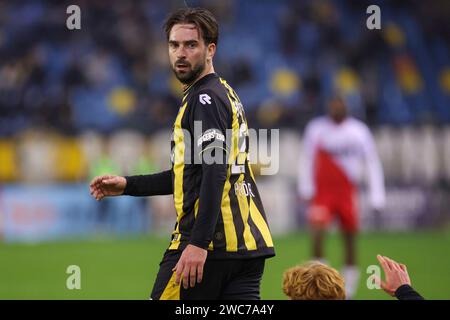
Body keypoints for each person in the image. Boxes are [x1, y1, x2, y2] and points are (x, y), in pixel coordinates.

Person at [89, 7, 275, 300]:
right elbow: (192, 174)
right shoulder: (223, 92)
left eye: (191, 45)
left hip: (210, 247)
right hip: (248, 250)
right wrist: (128, 185)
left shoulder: (204, 99)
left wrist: (199, 243)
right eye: (174, 45)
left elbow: (214, 174)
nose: (181, 53)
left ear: (210, 49)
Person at [298, 94, 386, 299]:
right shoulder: (317, 128)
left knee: (349, 240)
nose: (336, 110)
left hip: (347, 192)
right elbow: (307, 158)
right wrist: (306, 187)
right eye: (333, 106)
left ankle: (349, 289)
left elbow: (372, 162)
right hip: (323, 192)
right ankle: (319, 283)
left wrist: (377, 195)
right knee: (318, 234)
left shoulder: (359, 131)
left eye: (340, 106)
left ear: (347, 107)